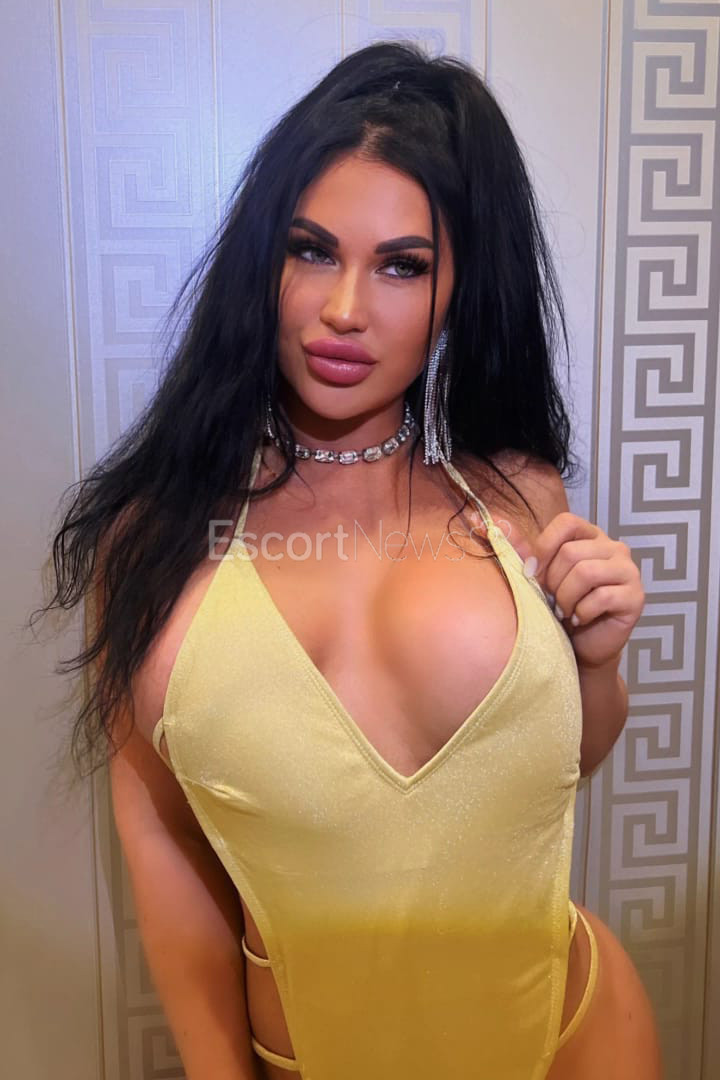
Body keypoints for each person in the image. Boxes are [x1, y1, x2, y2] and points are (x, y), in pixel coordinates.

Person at [36, 40, 663, 1080]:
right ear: (264, 264)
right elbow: (164, 842)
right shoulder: (157, 545)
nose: (344, 310)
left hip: (576, 1036)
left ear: (459, 289)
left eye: (403, 265)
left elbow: (553, 764)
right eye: (312, 251)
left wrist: (597, 663)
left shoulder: (519, 499)